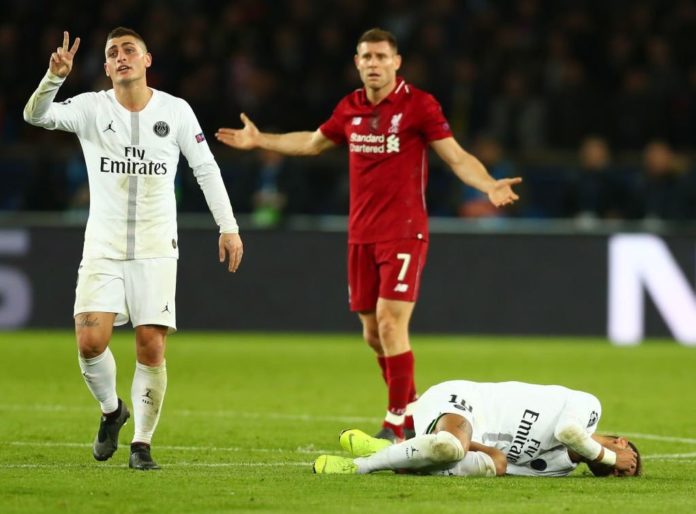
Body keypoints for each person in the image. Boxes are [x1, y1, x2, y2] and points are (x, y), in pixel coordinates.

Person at [216, 28, 521, 442]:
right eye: (367, 57)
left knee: (391, 323)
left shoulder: (419, 105)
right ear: (357, 63)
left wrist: (487, 185)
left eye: (381, 56)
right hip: (361, 234)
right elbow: (311, 142)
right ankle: (413, 409)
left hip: (404, 232)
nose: (374, 63)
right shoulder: (350, 107)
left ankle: (396, 423)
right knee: (373, 334)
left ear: (397, 62)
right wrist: (260, 140)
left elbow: (456, 156)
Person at [23, 28, 243, 470]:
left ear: (147, 60)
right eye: (112, 53)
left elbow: (205, 167)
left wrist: (229, 226)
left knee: (150, 346)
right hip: (103, 245)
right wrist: (54, 77)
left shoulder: (175, 111)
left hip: (156, 246)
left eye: (129, 50)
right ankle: (112, 411)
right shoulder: (91, 107)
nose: (121, 56)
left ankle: (141, 444)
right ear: (106, 67)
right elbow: (35, 116)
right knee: (90, 341)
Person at [313, 380, 641, 477]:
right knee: (452, 446)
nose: (618, 470)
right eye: (628, 464)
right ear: (621, 442)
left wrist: (489, 456)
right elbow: (569, 432)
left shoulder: (556, 469)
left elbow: (498, 464)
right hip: (465, 401)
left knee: (489, 463)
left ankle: (390, 451)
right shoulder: (589, 408)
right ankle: (360, 466)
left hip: (462, 439)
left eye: (619, 474)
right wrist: (612, 458)